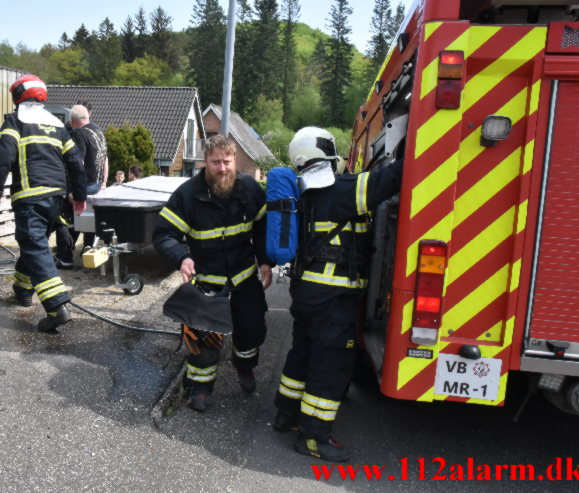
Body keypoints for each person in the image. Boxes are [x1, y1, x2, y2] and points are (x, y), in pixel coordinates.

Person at [272, 127, 402, 462]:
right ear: (328, 152)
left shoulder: (299, 192)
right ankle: (314, 438)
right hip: (334, 296)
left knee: (301, 354)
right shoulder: (343, 190)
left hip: (306, 292)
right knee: (330, 365)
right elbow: (387, 182)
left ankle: (285, 416)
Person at [153, 135, 273, 412]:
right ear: (205, 162)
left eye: (227, 162)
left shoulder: (250, 189)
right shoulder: (187, 194)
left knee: (252, 332)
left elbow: (263, 226)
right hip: (207, 283)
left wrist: (266, 260)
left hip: (244, 279)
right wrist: (181, 257)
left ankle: (243, 365)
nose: (222, 168)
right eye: (215, 162)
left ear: (235, 161)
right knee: (203, 342)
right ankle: (201, 386)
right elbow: (163, 234)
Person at [0, 74, 87, 333]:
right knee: (33, 242)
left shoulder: (15, 122)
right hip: (56, 199)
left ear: (17, 96)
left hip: (30, 198)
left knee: (34, 247)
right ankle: (22, 291)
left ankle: (57, 309)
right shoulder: (57, 125)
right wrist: (80, 196)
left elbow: (2, 158)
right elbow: (75, 162)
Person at [53, 104, 108, 267]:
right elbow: (104, 160)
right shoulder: (98, 131)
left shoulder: (79, 134)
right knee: (80, 219)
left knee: (63, 218)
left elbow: (78, 165)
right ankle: (85, 249)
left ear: (71, 120)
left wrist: (75, 192)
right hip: (96, 184)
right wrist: (103, 182)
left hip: (86, 184)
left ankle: (65, 258)